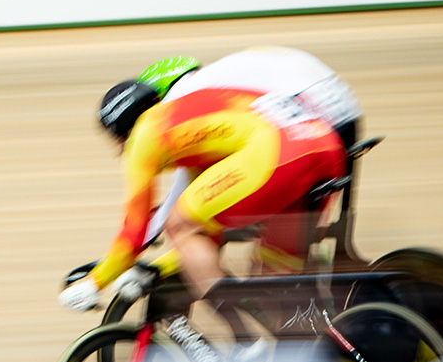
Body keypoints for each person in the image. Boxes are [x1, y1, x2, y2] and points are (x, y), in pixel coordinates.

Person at [59, 79, 346, 315]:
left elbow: (135, 229)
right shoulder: (192, 127)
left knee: (178, 224)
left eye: (117, 143)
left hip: (281, 152)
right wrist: (157, 268)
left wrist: (94, 282)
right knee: (273, 287)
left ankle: (242, 331)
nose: (119, 153)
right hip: (325, 146)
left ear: (124, 133)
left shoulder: (146, 133)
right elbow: (209, 234)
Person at [132, 49, 362, 253]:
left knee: (231, 207)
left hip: (315, 123)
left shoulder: (182, 98)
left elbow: (183, 185)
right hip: (340, 115)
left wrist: (145, 237)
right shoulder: (217, 78)